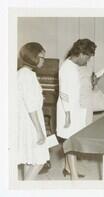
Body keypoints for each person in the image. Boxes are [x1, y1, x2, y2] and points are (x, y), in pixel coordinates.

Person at [56, 38, 97, 180]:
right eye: (88, 57)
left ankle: (68, 168)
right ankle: (74, 176)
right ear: (81, 54)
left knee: (72, 139)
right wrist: (67, 113)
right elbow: (64, 93)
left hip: (74, 108)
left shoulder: (74, 66)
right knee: (70, 141)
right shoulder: (66, 68)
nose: (88, 60)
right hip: (67, 109)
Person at [17, 42, 50, 180]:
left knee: (29, 158)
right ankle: (24, 190)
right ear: (34, 57)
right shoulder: (29, 77)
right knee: (40, 160)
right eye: (42, 57)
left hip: (23, 122)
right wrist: (40, 131)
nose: (44, 60)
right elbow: (31, 107)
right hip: (32, 123)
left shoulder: (20, 73)